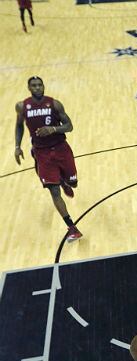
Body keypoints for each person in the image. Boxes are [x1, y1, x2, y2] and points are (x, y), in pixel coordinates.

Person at [14, 76, 82, 242]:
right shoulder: (22, 106)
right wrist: (17, 146)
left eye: (40, 85)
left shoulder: (55, 104)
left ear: (43, 86)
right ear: (29, 88)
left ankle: (65, 181)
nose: (37, 88)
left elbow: (69, 126)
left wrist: (52, 129)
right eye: (34, 86)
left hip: (61, 149)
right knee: (54, 191)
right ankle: (72, 228)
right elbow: (19, 125)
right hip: (42, 153)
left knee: (74, 183)